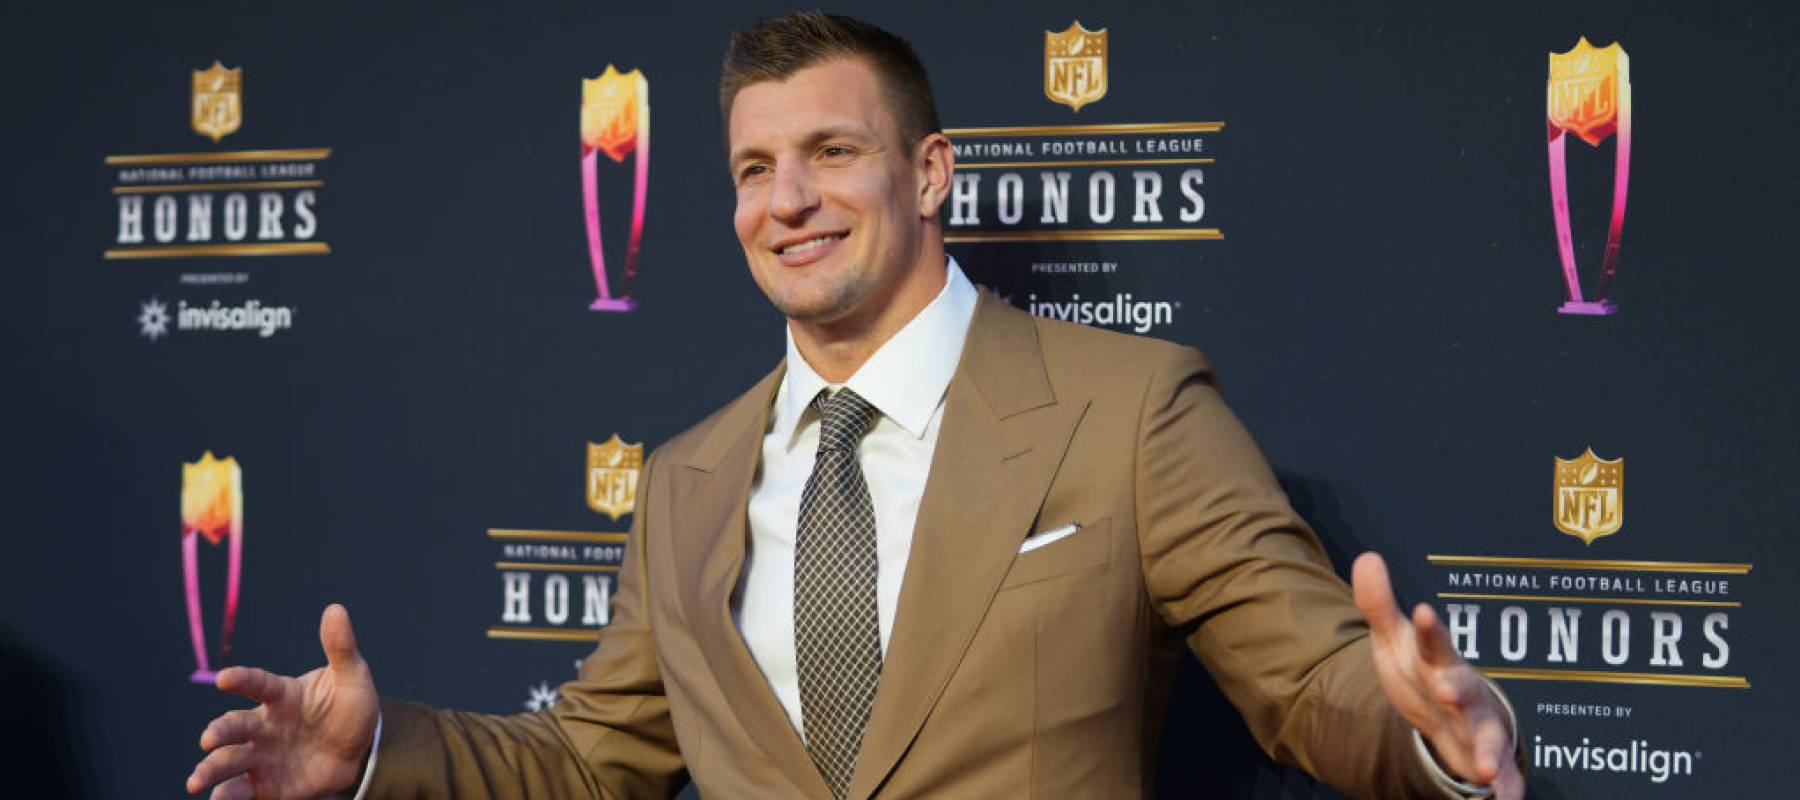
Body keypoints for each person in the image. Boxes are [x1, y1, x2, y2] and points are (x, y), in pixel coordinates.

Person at [186, 12, 1523, 800]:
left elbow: (1309, 683)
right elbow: (598, 761)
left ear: (929, 173)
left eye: (832, 152)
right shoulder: (686, 481)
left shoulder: (1128, 411)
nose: (789, 199)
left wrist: (1438, 737)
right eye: (754, 167)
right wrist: (377, 759)